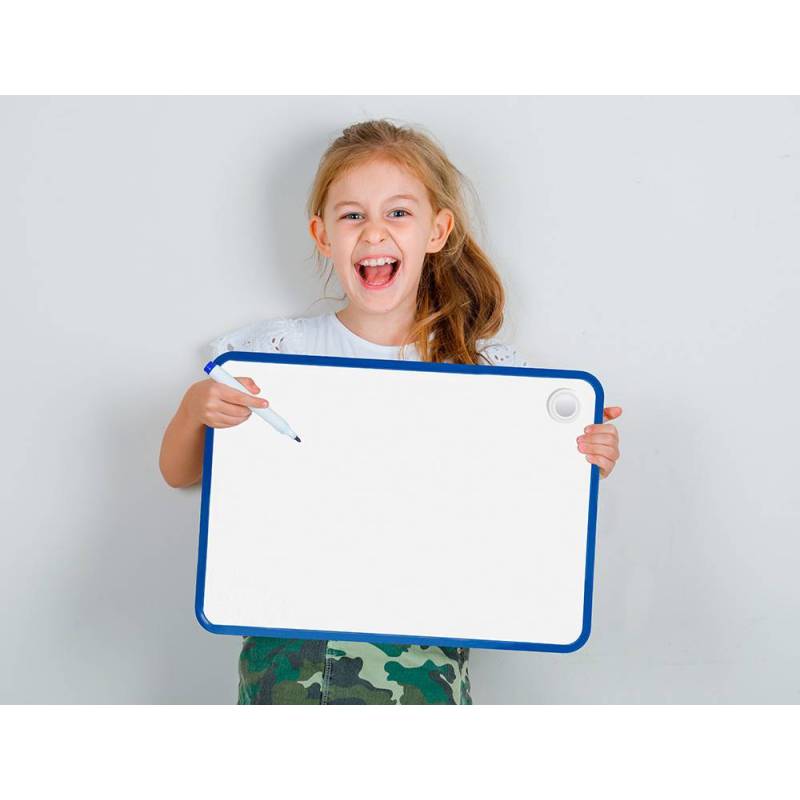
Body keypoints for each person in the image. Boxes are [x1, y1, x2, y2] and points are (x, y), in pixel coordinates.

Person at [159, 119, 623, 704]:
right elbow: (180, 473)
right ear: (322, 235)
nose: (374, 231)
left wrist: (585, 457)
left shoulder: (484, 374)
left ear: (438, 230)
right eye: (353, 215)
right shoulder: (275, 355)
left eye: (398, 212)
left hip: (424, 665)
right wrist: (193, 410)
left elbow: (523, 506)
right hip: (287, 662)